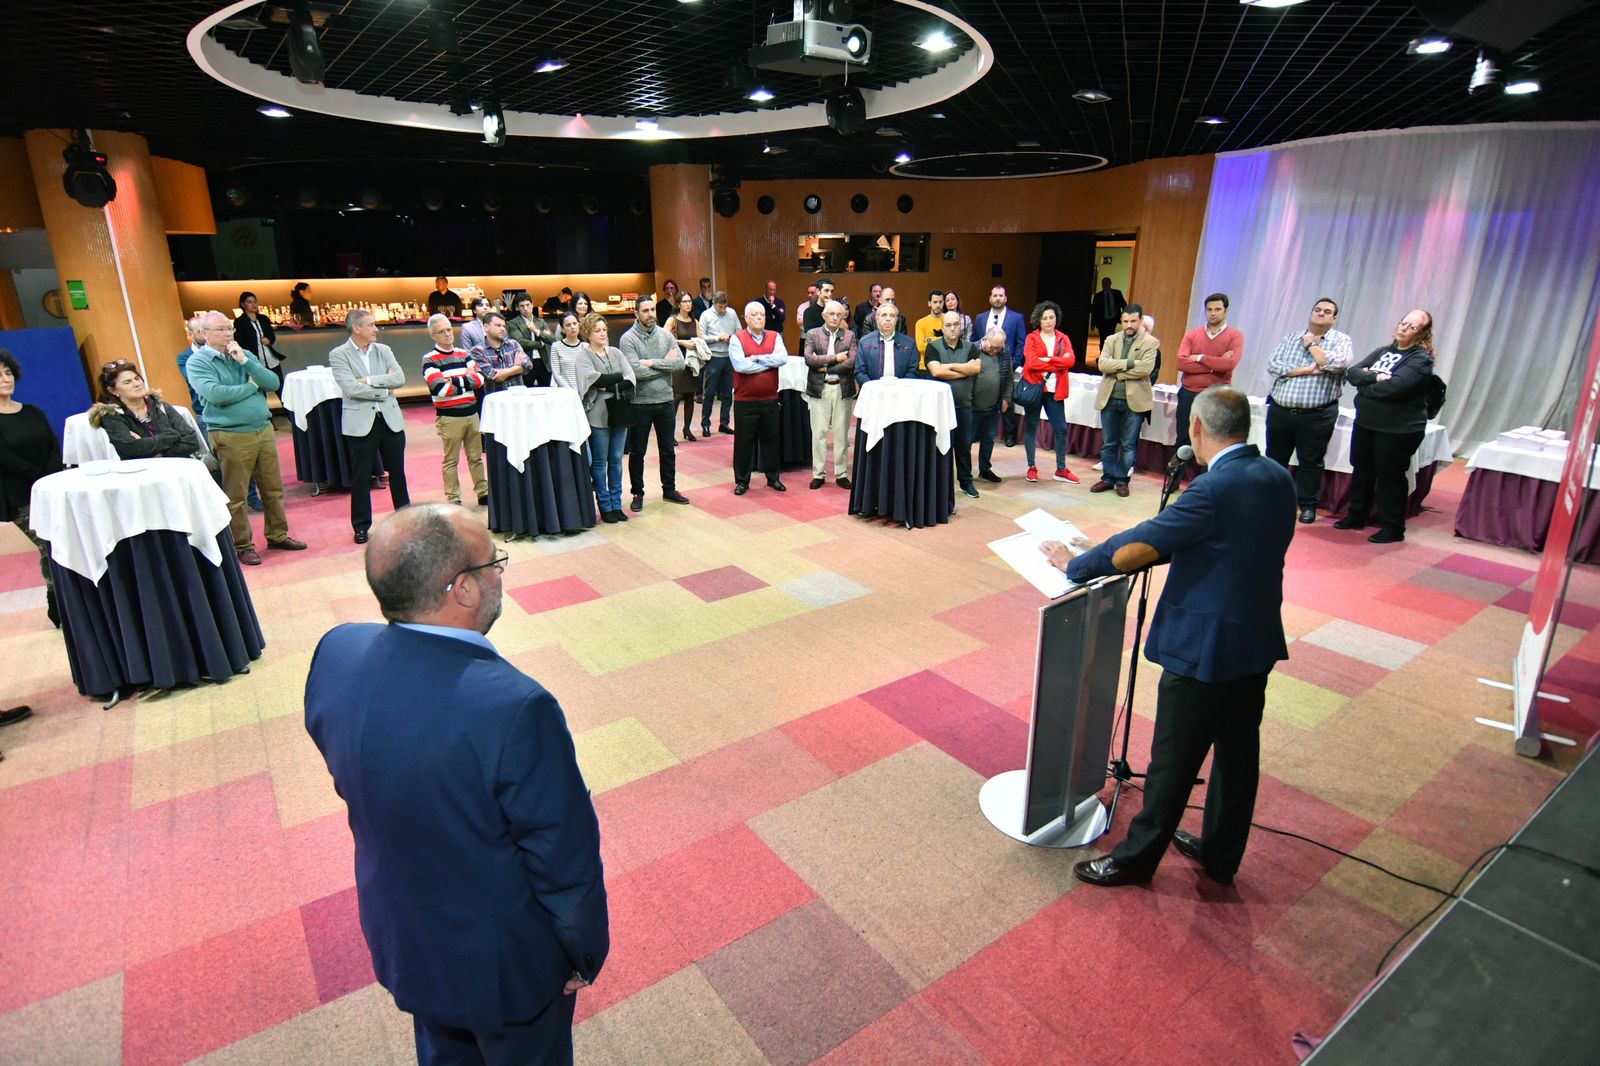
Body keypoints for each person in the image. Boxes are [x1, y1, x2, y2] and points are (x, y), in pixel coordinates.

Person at [303, 504, 608, 1066]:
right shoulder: (516, 707)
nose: (500, 573)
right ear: (463, 589)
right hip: (506, 968)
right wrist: (581, 951)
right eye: (495, 562)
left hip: (405, 936)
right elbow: (561, 855)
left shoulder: (336, 652)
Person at [1047, 385, 1295, 889]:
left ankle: (1136, 860)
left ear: (1196, 428)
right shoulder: (1277, 476)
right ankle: (1221, 855)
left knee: (1173, 761)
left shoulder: (1213, 488)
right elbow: (1212, 541)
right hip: (1255, 639)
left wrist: (1077, 563)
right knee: (1237, 756)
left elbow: (1152, 536)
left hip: (1205, 648)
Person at [186, 311, 307, 565]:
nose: (228, 334)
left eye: (229, 328)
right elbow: (217, 395)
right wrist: (251, 387)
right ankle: (243, 545)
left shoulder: (243, 354)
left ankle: (277, 535)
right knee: (236, 495)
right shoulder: (198, 362)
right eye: (221, 330)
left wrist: (245, 362)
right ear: (204, 334)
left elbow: (272, 382)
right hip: (230, 434)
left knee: (272, 489)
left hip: (262, 428)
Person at [1335, 309, 1438, 544]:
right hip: (1367, 422)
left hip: (1398, 429)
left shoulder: (1420, 360)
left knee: (1390, 477)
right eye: (1403, 322)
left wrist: (1366, 385)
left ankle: (1392, 527)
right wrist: (1375, 378)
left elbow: (1395, 388)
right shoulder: (1383, 352)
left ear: (1422, 333)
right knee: (1362, 470)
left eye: (1412, 326)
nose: (1404, 328)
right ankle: (1357, 515)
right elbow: (1352, 373)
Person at [1265, 298, 1354, 524]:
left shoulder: (1341, 340)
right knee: (1275, 459)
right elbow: (1273, 365)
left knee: (1311, 462)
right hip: (1281, 411)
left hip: (1317, 415)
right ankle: (1271, 500)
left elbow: (1336, 364)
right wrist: (1305, 369)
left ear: (1334, 318)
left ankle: (1307, 505)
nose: (1321, 314)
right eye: (1317, 310)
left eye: (1327, 312)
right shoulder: (1290, 338)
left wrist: (1311, 346)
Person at [329, 309, 411, 543]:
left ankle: (406, 521)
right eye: (371, 325)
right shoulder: (339, 355)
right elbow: (350, 388)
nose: (376, 329)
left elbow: (399, 378)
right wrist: (384, 391)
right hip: (360, 424)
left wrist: (370, 381)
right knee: (361, 476)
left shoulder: (384, 350)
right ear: (356, 328)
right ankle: (361, 526)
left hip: (390, 420)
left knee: (398, 473)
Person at [0, 347, 63, 627]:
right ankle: (57, 598)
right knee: (48, 544)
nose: (6, 379)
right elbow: (6, 459)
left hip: (51, 488)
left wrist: (51, 475)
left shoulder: (32, 411)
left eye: (8, 373)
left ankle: (61, 600)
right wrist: (38, 478)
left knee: (59, 543)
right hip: (20, 496)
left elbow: (52, 444)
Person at [620, 294, 690, 512]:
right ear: (636, 313)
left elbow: (679, 363)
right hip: (640, 403)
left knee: (667, 450)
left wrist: (651, 362)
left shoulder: (665, 335)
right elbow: (634, 371)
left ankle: (669, 489)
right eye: (645, 311)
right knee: (638, 452)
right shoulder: (628, 339)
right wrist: (663, 366)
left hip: (665, 401)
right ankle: (637, 493)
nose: (650, 314)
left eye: (652, 310)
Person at [421, 314, 489, 509]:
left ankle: (483, 492)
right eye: (441, 331)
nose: (447, 334)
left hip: (472, 413)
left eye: (449, 329)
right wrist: (466, 381)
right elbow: (440, 389)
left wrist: (453, 380)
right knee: (451, 460)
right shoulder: (429, 359)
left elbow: (480, 380)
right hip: (449, 417)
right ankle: (453, 498)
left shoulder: (464, 353)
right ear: (433, 335)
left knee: (476, 457)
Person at [1091, 306, 1158, 497]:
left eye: (1133, 321)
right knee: (1109, 443)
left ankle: (1121, 480)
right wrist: (1129, 363)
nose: (1129, 325)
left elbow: (1145, 369)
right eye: (1126, 321)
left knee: (1128, 445)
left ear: (1140, 321)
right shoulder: (1111, 340)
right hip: (1110, 399)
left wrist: (1118, 372)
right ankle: (1108, 478)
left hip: (1134, 402)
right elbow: (1103, 364)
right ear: (1121, 320)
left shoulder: (1151, 342)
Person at [575, 313, 636, 523]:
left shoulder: (616, 352)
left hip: (619, 411)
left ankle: (617, 503)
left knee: (616, 460)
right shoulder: (583, 356)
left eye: (604, 330)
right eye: (597, 331)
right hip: (597, 413)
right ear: (588, 334)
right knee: (600, 461)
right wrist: (615, 379)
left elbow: (630, 377)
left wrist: (609, 383)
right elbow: (593, 380)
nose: (602, 334)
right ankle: (605, 505)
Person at [729, 301, 789, 495]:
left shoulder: (775, 336)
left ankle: (773, 478)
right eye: (754, 315)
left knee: (771, 440)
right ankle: (742, 481)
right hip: (745, 401)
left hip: (770, 398)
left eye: (762, 314)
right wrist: (769, 362)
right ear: (746, 318)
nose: (759, 318)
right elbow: (740, 366)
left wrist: (756, 358)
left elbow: (782, 359)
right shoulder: (737, 339)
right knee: (743, 442)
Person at [88, 359, 202, 460]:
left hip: (179, 468)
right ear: (113, 391)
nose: (137, 384)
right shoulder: (112, 417)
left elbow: (192, 442)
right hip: (142, 472)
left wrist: (158, 454)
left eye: (137, 378)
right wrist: (173, 436)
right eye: (127, 382)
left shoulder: (161, 406)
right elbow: (131, 448)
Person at [1018, 300, 1080, 485]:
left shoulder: (1063, 338)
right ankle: (1031, 467)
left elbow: (1070, 361)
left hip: (1055, 390)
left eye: (1051, 317)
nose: (1048, 321)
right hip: (1035, 388)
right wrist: (1058, 362)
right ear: (1039, 319)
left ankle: (1061, 469)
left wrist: (1047, 359)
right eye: (1044, 318)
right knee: (1031, 427)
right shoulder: (1031, 338)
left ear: (1056, 319)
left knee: (1061, 428)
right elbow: (1031, 363)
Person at [1174, 294, 1242, 458]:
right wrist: (1215, 365)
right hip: (1189, 393)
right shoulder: (1192, 334)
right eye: (1209, 309)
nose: (1213, 313)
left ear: (1226, 311)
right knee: (1183, 439)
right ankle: (1174, 475)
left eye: (1217, 309)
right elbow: (1181, 363)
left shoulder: (1235, 336)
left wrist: (1200, 357)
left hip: (1216, 395)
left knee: (1213, 441)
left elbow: (1230, 364)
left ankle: (1209, 475)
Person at [800, 298, 857, 490]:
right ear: (824, 315)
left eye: (838, 314)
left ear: (843, 317)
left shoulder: (849, 336)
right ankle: (818, 474)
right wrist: (836, 358)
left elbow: (851, 362)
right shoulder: (813, 334)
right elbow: (809, 359)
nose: (834, 317)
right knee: (819, 433)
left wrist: (826, 367)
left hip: (842, 389)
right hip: (819, 389)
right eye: (831, 314)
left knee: (841, 434)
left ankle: (841, 474)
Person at [926, 310, 983, 498]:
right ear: (942, 328)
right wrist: (964, 370)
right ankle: (940, 485)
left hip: (963, 406)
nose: (952, 329)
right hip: (939, 409)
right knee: (940, 447)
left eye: (956, 325)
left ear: (961, 327)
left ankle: (966, 482)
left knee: (963, 447)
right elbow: (936, 372)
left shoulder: (970, 347)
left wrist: (949, 366)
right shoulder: (933, 347)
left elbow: (976, 368)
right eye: (948, 325)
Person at [977, 286, 1027, 447]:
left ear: (1005, 298)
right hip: (984, 364)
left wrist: (1014, 363)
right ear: (990, 298)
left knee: (1007, 399)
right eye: (995, 295)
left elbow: (1021, 342)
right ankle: (978, 433)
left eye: (1001, 295)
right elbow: (974, 340)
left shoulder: (1016, 318)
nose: (998, 298)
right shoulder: (980, 318)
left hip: (1006, 363)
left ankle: (1009, 435)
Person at [972, 328, 1012, 485]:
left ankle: (984, 470)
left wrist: (1006, 399)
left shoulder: (1004, 353)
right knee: (966, 442)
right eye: (993, 347)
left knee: (988, 440)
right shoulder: (972, 349)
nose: (995, 351)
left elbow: (1008, 378)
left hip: (993, 408)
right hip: (972, 408)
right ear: (985, 339)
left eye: (998, 348)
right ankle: (964, 473)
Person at [697, 290, 739, 435]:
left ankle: (724, 423)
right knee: (709, 393)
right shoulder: (706, 315)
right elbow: (701, 337)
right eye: (720, 307)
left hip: (728, 357)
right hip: (713, 357)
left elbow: (739, 332)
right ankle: (705, 424)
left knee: (727, 393)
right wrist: (717, 338)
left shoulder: (731, 313)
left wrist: (731, 337)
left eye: (725, 306)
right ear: (714, 303)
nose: (723, 310)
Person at [233, 291, 285, 398]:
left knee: (281, 389)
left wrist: (269, 340)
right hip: (255, 360)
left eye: (255, 302)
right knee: (260, 391)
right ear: (242, 304)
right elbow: (240, 342)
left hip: (271, 359)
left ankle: (288, 409)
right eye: (249, 302)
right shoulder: (240, 322)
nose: (253, 304)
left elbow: (272, 336)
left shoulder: (264, 319)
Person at [472, 312, 537, 396]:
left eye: (504, 326)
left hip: (518, 395)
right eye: (498, 325)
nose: (503, 329)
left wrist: (506, 372)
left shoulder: (513, 344)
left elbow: (528, 364)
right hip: (496, 397)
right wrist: (517, 367)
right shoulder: (477, 350)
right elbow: (491, 375)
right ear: (486, 327)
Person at [854, 303, 919, 384]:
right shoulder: (864, 343)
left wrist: (900, 387)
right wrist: (873, 388)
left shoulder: (909, 343)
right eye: (884, 315)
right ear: (877, 318)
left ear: (896, 320)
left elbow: (913, 371)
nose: (888, 319)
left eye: (892, 316)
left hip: (901, 389)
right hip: (873, 390)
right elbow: (860, 372)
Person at [666, 292, 701, 441]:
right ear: (678, 304)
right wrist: (682, 342)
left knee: (690, 396)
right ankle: (669, 433)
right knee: (677, 396)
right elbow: (664, 338)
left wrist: (696, 343)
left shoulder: (694, 321)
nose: (688, 304)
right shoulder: (672, 320)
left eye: (689, 301)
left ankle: (687, 429)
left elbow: (700, 338)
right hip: (678, 361)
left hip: (691, 362)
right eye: (685, 301)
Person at [505, 295, 555, 385]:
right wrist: (540, 343)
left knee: (546, 389)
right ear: (517, 308)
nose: (526, 308)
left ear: (532, 305)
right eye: (522, 306)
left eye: (528, 305)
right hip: (525, 362)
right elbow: (519, 342)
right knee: (526, 390)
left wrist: (537, 331)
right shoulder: (513, 323)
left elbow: (552, 339)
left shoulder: (540, 322)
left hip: (543, 361)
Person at [176, 313, 211, 436]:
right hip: (204, 411)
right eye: (199, 331)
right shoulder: (184, 357)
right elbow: (196, 381)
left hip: (229, 407)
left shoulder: (222, 350)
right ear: (190, 334)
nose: (205, 334)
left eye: (206, 329)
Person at [547, 312, 585, 391]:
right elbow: (556, 374)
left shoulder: (585, 346)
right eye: (568, 325)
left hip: (584, 391)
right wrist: (571, 391)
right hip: (565, 392)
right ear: (562, 329)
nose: (572, 327)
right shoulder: (556, 346)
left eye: (574, 323)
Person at [1090, 276, 1127, 341]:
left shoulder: (1117, 293)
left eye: (1106, 283)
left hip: (1113, 320)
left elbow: (1124, 305)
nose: (1104, 285)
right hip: (1101, 321)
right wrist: (1093, 324)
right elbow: (1094, 311)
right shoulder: (1098, 296)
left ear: (1110, 283)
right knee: (1102, 339)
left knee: (1110, 338)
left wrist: (1125, 316)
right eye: (1103, 283)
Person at [913, 290, 946, 360]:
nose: (938, 305)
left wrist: (929, 339)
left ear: (943, 303)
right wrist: (942, 340)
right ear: (929, 303)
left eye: (940, 302)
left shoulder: (949, 320)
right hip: (925, 364)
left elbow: (952, 343)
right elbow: (921, 347)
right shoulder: (920, 323)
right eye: (935, 302)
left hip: (945, 363)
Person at [757, 280, 786, 344]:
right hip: (763, 334)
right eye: (770, 290)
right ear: (765, 289)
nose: (772, 292)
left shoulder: (780, 302)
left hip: (777, 333)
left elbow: (782, 318)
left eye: (774, 290)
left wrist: (773, 306)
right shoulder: (758, 303)